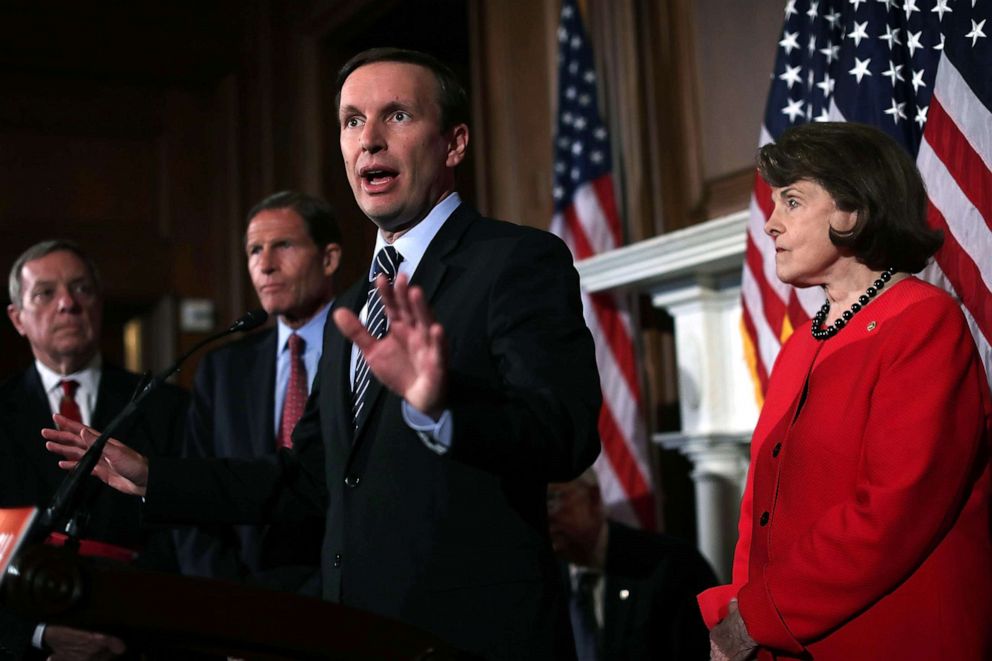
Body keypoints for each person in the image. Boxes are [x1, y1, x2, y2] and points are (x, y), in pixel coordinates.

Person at [45, 48, 601, 659]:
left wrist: (439, 406)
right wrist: (159, 478)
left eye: (397, 116)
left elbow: (565, 434)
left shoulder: (516, 261)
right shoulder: (352, 309)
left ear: (454, 143)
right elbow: (308, 477)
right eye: (352, 121)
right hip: (353, 636)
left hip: (469, 637)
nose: (370, 140)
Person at [698, 122, 992, 660]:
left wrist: (757, 616)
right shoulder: (801, 344)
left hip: (894, 637)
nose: (769, 224)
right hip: (788, 640)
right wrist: (740, 612)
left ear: (851, 211)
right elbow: (759, 508)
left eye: (791, 200)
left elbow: (893, 508)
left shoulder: (923, 322)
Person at [1, 240, 188, 660]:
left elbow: (186, 533)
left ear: (99, 304)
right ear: (18, 318)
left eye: (81, 289)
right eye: (45, 293)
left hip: (143, 639)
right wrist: (39, 632)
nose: (68, 303)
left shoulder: (166, 407)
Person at [175, 191, 341, 595]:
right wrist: (233, 611)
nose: (265, 265)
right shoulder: (222, 368)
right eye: (254, 250)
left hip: (347, 600)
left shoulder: (368, 352)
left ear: (329, 258)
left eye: (283, 245)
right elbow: (195, 499)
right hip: (242, 606)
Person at [548, 470, 716, 661]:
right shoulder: (539, 576)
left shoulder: (672, 564)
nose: (541, 515)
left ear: (593, 497)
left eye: (551, 499)